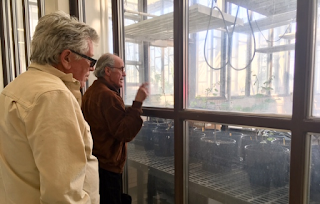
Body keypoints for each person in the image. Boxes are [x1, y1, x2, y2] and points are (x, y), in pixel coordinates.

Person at [0, 11, 100, 204]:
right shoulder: (53, 96)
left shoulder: (14, 88)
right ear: (66, 58)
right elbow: (63, 194)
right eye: (90, 59)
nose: (92, 68)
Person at [81, 53, 149, 204]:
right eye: (121, 69)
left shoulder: (91, 92)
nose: (124, 73)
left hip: (96, 163)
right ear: (107, 71)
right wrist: (137, 103)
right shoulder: (107, 96)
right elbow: (125, 132)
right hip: (107, 167)